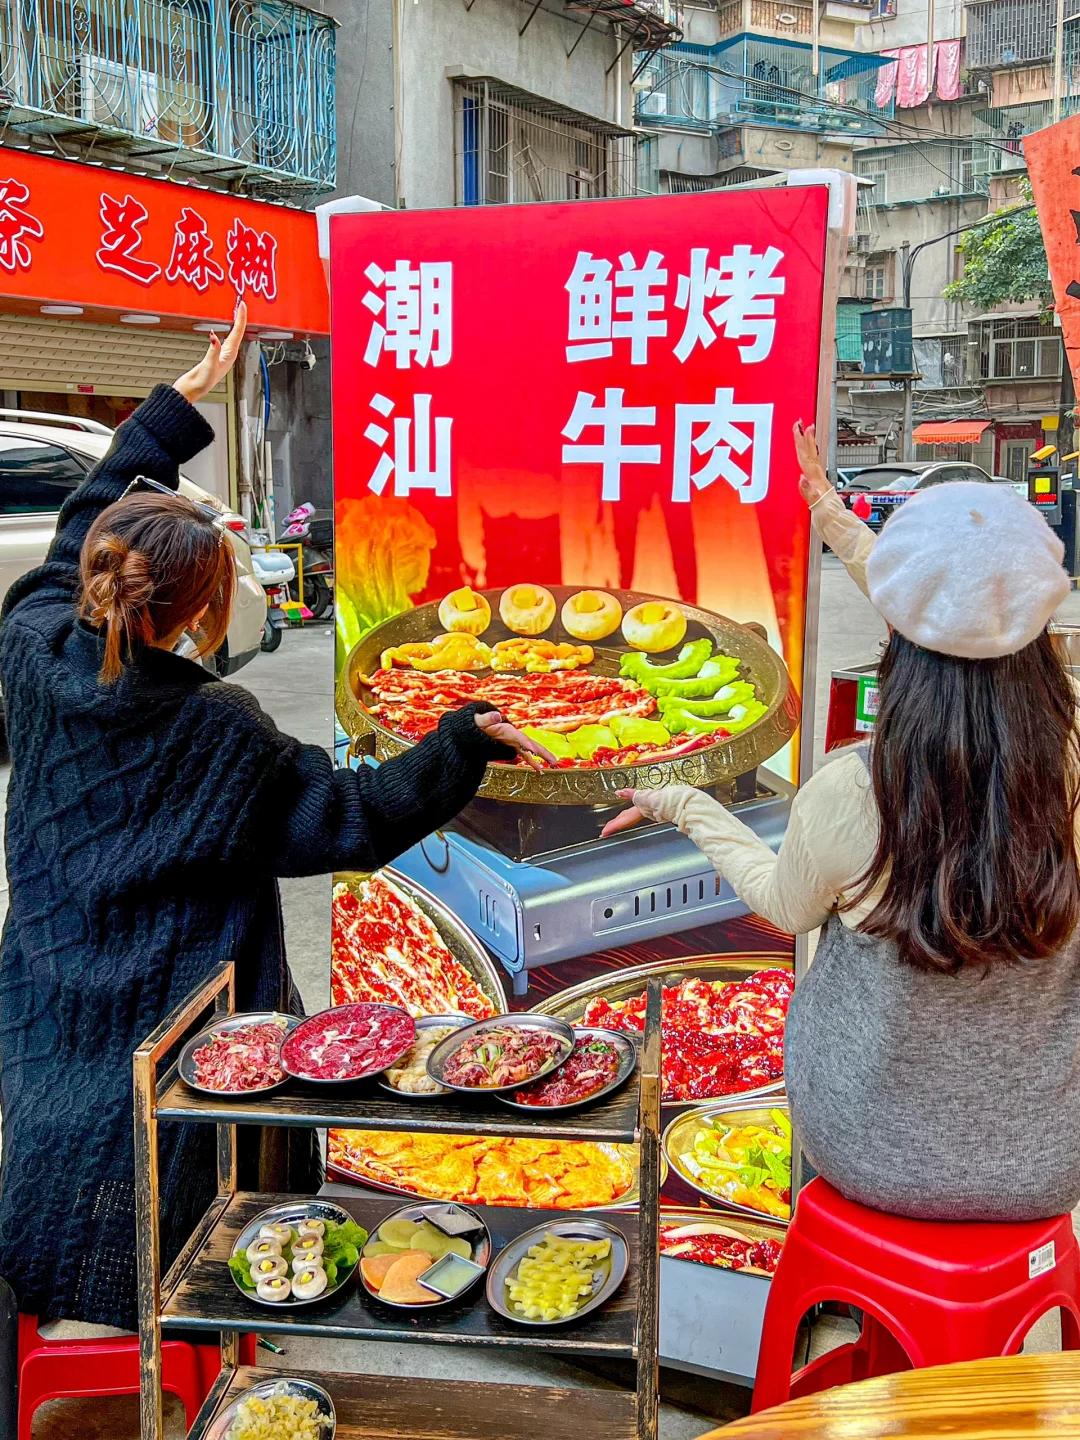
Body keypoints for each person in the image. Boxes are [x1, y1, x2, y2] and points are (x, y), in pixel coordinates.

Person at [0, 305, 551, 1333]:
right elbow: (349, 819)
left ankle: (51, 1358)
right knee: (178, 1240)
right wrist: (462, 742)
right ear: (204, 612)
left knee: (47, 1201)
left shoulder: (28, 653)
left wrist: (173, 414)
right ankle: (170, 1369)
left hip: (41, 1003)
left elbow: (79, 528)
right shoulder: (219, 731)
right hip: (182, 1027)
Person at [604, 421, 1080, 1223]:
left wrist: (681, 799)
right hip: (1052, 1157)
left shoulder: (852, 791)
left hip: (865, 1148)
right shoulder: (1068, 772)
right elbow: (963, 616)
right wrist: (828, 508)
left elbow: (785, 908)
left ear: (895, 629)